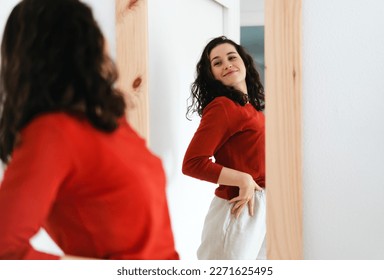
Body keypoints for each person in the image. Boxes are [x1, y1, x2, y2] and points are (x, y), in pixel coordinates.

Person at [0, 0, 179, 260]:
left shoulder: (111, 121)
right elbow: (4, 245)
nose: (102, 38)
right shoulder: (51, 132)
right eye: (91, 27)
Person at [182, 36, 266, 260]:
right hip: (238, 207)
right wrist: (244, 179)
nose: (227, 64)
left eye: (231, 57)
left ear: (244, 62)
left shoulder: (251, 109)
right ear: (212, 74)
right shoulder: (223, 107)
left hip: (260, 206)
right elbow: (192, 164)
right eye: (217, 63)